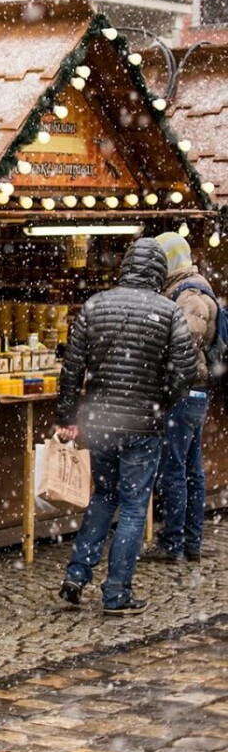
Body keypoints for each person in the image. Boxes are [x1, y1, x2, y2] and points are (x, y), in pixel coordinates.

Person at [56, 237, 197, 615]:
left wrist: (67, 417)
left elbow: (71, 368)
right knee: (134, 506)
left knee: (103, 497)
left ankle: (77, 574)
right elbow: (186, 370)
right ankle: (117, 592)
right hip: (142, 423)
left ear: (126, 266)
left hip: (99, 421)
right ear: (159, 271)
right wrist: (162, 399)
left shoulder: (95, 305)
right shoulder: (168, 312)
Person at [145, 232, 216, 563]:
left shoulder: (189, 295)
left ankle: (175, 542)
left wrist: (166, 382)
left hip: (185, 394)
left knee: (176, 468)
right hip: (195, 394)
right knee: (189, 468)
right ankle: (189, 541)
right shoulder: (189, 289)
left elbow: (183, 351)